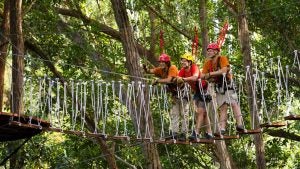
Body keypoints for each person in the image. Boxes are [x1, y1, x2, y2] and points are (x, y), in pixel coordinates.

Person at [201, 43, 245, 135]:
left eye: (210, 51)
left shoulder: (222, 59)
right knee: (222, 107)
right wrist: (209, 76)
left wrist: (210, 75)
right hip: (218, 86)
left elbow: (224, 70)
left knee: (233, 103)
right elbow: (202, 75)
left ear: (216, 52)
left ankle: (240, 124)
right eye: (208, 51)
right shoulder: (207, 63)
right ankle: (222, 128)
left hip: (228, 84)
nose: (209, 53)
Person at [143, 53, 189, 141]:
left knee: (184, 114)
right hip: (175, 94)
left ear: (167, 62)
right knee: (174, 113)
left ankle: (183, 133)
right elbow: (150, 71)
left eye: (163, 62)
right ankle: (174, 133)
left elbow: (168, 80)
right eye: (160, 62)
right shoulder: (161, 70)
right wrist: (145, 68)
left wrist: (158, 81)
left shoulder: (173, 68)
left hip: (183, 92)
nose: (161, 64)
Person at [177, 52, 213, 140]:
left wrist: (183, 79)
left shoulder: (194, 67)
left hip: (205, 89)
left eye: (185, 61)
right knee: (202, 113)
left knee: (200, 112)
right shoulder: (182, 71)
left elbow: (195, 77)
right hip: (197, 91)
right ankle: (209, 132)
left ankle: (196, 133)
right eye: (182, 61)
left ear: (190, 62)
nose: (183, 63)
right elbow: (178, 79)